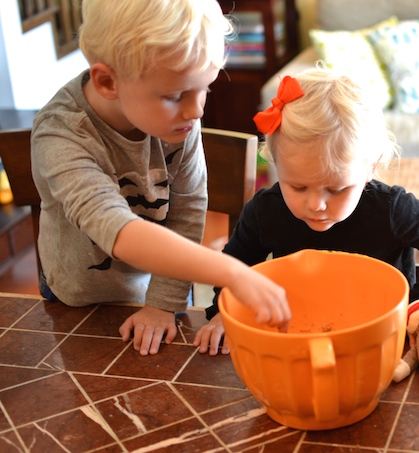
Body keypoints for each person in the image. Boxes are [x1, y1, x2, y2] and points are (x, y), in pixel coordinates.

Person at [30, 0, 290, 357]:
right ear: (107, 81)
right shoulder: (61, 136)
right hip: (77, 300)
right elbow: (114, 226)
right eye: (175, 95)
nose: (197, 110)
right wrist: (232, 272)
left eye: (205, 88)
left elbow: (189, 207)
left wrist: (163, 303)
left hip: (162, 291)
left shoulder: (180, 118)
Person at [194, 65, 419, 355]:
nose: (316, 204)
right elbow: (235, 267)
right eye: (298, 187)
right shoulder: (265, 211)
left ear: (372, 166)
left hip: (378, 341)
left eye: (336, 189)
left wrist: (413, 308)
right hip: (295, 335)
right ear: (276, 164)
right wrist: (221, 313)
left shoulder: (391, 209)